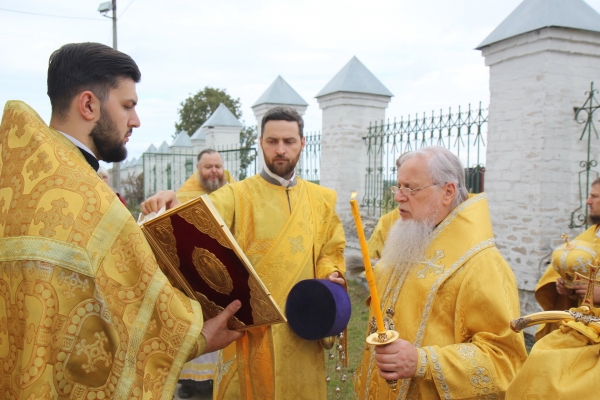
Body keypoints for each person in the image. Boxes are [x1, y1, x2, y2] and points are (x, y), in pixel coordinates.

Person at [0, 42, 243, 399]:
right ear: (88, 105)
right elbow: (129, 310)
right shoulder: (89, 199)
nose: (136, 120)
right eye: (128, 105)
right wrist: (199, 338)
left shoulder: (17, 181)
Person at [141, 106, 346, 399]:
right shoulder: (237, 195)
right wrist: (174, 205)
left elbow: (330, 249)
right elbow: (199, 221)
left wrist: (331, 274)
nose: (280, 149)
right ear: (261, 142)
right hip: (250, 336)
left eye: (288, 141)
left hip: (302, 330)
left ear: (302, 142)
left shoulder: (323, 200)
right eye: (272, 141)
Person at [353, 146, 527, 399]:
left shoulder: (482, 263)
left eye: (410, 188)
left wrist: (421, 361)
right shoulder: (412, 239)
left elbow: (504, 360)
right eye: (398, 187)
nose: (399, 197)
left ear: (447, 192)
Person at [175, 149, 231, 399]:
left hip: (227, 277)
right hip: (194, 279)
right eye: (208, 167)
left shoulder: (233, 194)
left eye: (217, 166)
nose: (214, 171)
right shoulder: (182, 197)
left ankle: (219, 381)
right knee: (198, 328)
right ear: (198, 168)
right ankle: (191, 384)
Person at [534, 177, 600, 340]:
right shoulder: (590, 236)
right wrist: (568, 289)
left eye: (595, 196)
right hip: (584, 326)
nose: (587, 202)